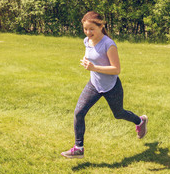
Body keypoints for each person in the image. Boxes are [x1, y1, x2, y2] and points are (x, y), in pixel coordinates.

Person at [61, 11, 148, 159]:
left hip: (111, 87)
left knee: (118, 113)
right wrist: (87, 61)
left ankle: (140, 121)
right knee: (79, 112)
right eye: (85, 29)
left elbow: (116, 69)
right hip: (94, 84)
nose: (88, 32)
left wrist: (93, 67)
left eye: (91, 29)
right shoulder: (86, 41)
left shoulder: (109, 44)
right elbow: (92, 55)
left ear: (101, 26)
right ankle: (78, 148)